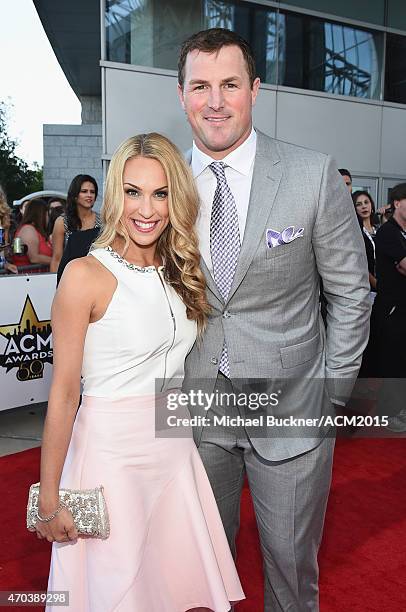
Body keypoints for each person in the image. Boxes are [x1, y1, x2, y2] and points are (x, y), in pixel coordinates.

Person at [177, 28, 370, 611]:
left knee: (290, 572)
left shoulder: (312, 174)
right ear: (181, 94)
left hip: (293, 410)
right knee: (197, 573)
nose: (215, 101)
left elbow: (351, 296)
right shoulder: (161, 187)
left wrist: (330, 395)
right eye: (201, 86)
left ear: (255, 90)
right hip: (195, 410)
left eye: (230, 84)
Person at [35, 133, 245, 612]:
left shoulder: (179, 269)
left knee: (173, 590)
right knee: (119, 591)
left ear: (176, 197)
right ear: (115, 195)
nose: (145, 208)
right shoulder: (85, 274)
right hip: (112, 458)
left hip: (173, 449)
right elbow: (64, 394)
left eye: (160, 193)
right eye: (132, 192)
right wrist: (50, 498)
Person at [371, 182, 406, 432]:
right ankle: (389, 414)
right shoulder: (388, 232)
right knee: (393, 362)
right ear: (397, 203)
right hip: (392, 308)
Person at [50, 174, 101, 272]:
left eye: (92, 192)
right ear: (75, 195)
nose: (89, 195)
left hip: (96, 276)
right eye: (84, 191)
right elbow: (57, 259)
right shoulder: (62, 222)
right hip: (69, 277)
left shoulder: (103, 222)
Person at [12, 199, 52, 268]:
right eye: (47, 214)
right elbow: (34, 258)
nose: (48, 218)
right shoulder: (28, 229)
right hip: (29, 275)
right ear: (41, 214)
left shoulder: (33, 230)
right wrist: (57, 261)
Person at [352, 190, 378, 293]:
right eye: (359, 204)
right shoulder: (355, 233)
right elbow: (358, 262)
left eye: (366, 202)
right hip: (365, 287)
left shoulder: (379, 229)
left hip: (385, 284)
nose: (364, 206)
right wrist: (374, 282)